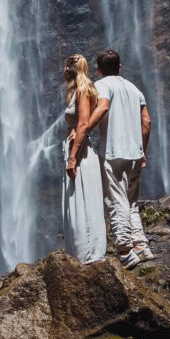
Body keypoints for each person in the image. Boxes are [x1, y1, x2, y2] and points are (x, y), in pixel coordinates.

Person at [86, 49, 154, 270]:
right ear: (120, 67)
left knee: (116, 202)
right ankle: (141, 246)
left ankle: (125, 250)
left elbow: (103, 106)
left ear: (98, 69)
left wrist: (85, 129)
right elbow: (147, 122)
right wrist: (142, 150)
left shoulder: (102, 85)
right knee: (131, 202)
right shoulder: (134, 89)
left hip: (114, 152)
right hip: (134, 154)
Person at [62, 54, 107, 264]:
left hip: (80, 153)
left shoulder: (82, 90)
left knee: (82, 200)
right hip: (78, 149)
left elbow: (83, 124)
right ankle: (84, 251)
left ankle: (87, 253)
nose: (62, 71)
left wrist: (72, 158)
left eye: (65, 67)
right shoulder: (84, 90)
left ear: (71, 69)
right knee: (79, 200)